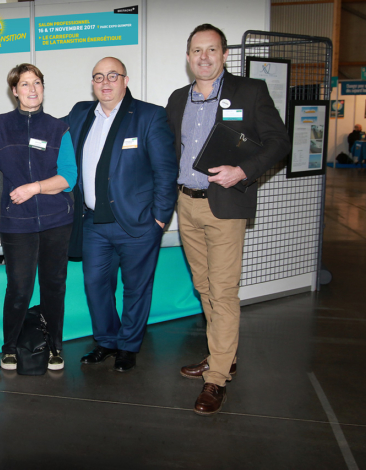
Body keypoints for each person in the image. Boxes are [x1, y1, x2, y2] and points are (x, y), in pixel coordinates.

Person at [166, 24, 290, 415]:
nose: (204, 57)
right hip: (186, 205)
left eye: (211, 50)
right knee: (203, 285)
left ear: (224, 54)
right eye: (197, 50)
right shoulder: (177, 99)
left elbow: (279, 142)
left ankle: (217, 377)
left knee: (222, 291)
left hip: (225, 206)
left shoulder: (249, 92)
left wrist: (243, 171)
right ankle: (224, 355)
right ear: (188, 57)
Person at [65, 57, 178, 373]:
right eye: (98, 77)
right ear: (92, 83)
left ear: (125, 80)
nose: (105, 82)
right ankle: (106, 341)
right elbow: (46, 129)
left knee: (136, 288)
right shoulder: (80, 114)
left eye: (112, 75)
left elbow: (166, 172)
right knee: (95, 285)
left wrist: (159, 219)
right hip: (93, 222)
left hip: (138, 223)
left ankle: (128, 346)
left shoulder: (149, 116)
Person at [0, 64, 77, 371]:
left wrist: (34, 188)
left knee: (54, 287)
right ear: (14, 91)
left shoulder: (58, 128)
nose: (32, 89)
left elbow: (69, 177)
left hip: (57, 221)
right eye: (25, 84)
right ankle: (10, 348)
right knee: (19, 288)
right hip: (16, 222)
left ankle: (54, 347)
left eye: (37, 82)